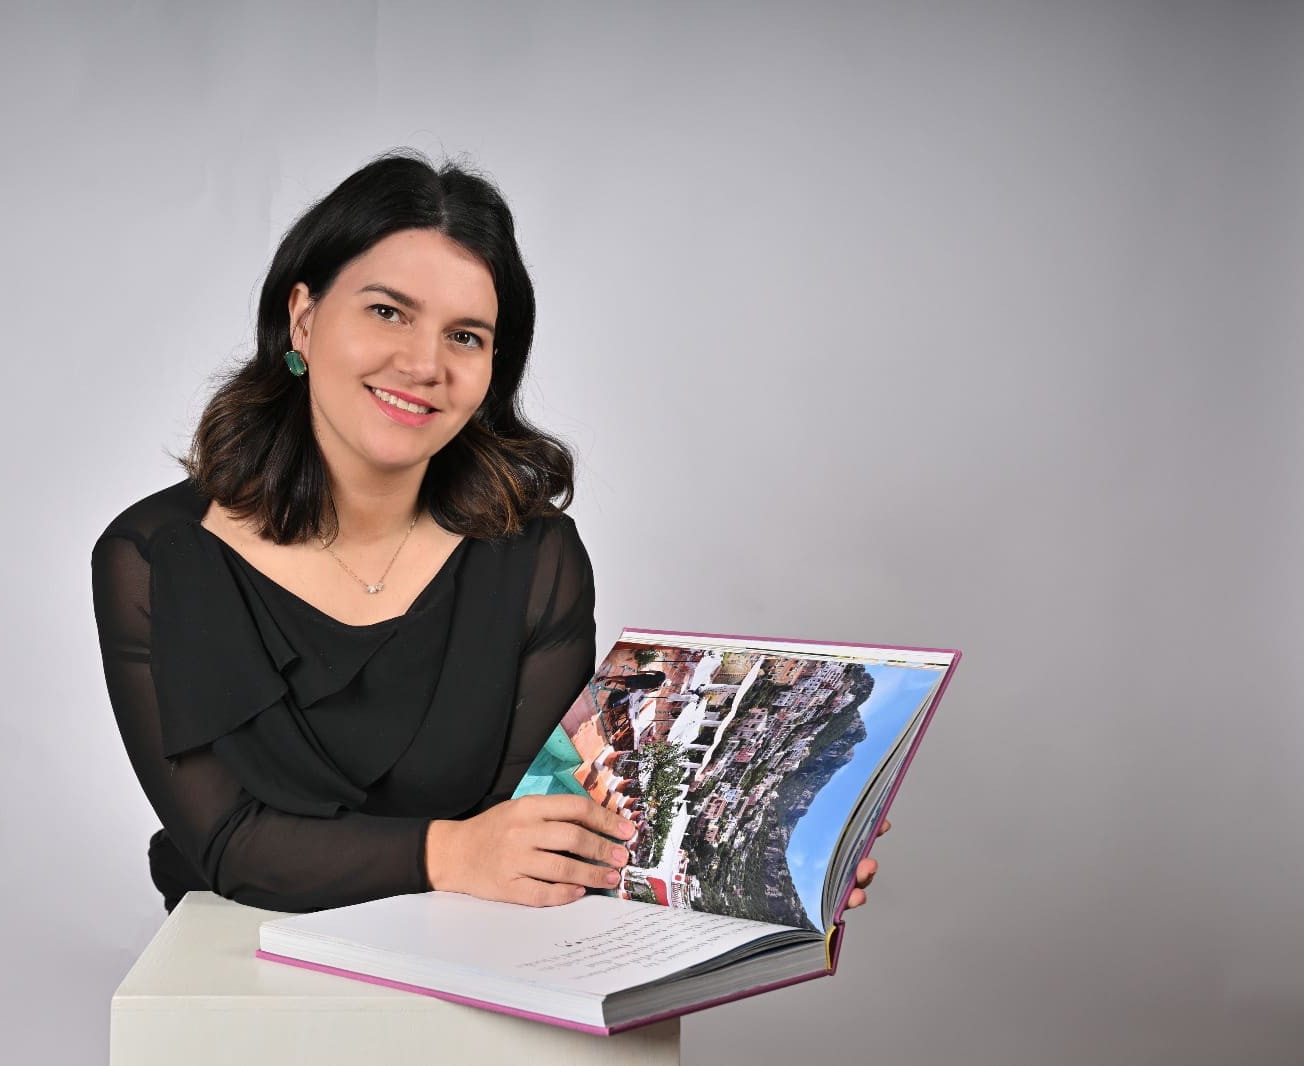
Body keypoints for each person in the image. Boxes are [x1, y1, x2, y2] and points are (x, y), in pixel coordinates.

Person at [90, 151, 886, 915]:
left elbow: (535, 828)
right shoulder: (154, 559)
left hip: (472, 954)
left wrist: (790, 846)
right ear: (303, 318)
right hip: (236, 960)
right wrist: (452, 853)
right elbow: (228, 841)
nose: (424, 364)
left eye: (465, 335)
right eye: (387, 311)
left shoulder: (536, 559)